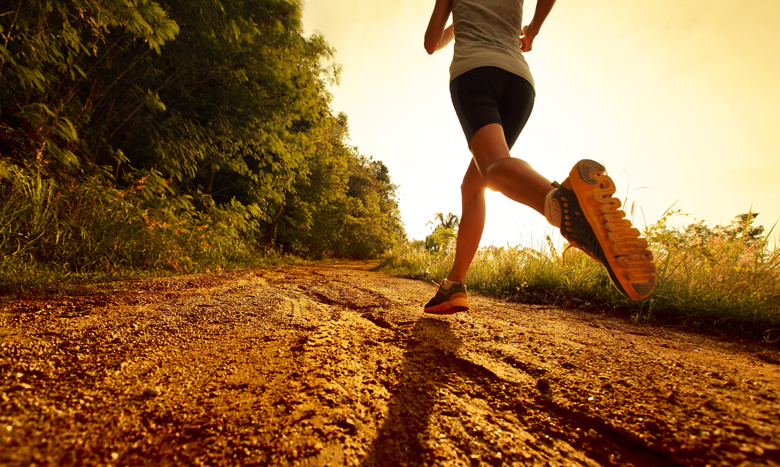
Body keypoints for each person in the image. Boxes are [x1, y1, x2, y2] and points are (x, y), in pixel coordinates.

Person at [422, 0, 656, 314]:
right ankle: (454, 285)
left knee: (492, 167)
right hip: (519, 82)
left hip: (475, 72)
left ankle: (562, 202)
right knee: (474, 185)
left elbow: (431, 43)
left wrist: (457, 16)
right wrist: (532, 30)